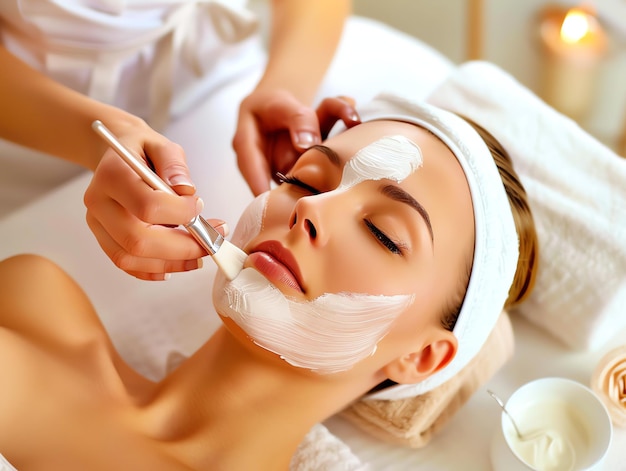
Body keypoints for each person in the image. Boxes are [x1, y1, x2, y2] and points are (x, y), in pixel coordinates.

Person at [0, 94, 538, 470]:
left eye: (382, 233)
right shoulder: (33, 300)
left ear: (421, 359)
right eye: (302, 178)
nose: (308, 206)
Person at [0, 0, 350, 280]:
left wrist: (284, 88)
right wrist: (88, 136)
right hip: (32, 126)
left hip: (224, 82)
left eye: (384, 237)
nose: (308, 209)